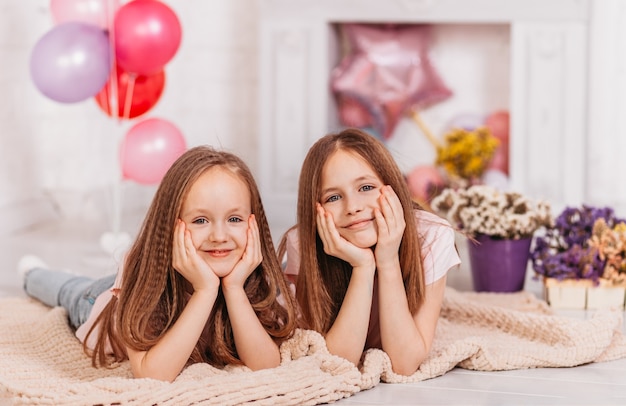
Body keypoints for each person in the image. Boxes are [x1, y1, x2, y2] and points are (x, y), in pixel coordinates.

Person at [20, 146, 298, 382]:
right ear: (170, 225)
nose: (219, 236)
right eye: (200, 220)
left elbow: (266, 366)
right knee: (69, 290)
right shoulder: (145, 273)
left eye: (234, 219)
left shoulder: (252, 276)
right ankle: (33, 273)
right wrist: (204, 291)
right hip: (99, 303)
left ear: (253, 223)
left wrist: (234, 288)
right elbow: (152, 376)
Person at [278, 128, 460, 376]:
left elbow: (404, 364)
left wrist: (387, 261)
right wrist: (363, 266)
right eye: (333, 197)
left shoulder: (432, 235)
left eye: (365, 188)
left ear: (391, 186)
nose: (353, 207)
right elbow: (337, 362)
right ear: (316, 209)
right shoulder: (303, 243)